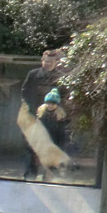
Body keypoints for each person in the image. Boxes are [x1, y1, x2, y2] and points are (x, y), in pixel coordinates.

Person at [20, 49, 65, 178]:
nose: (48, 64)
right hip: (34, 115)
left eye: (51, 62)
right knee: (30, 146)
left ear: (56, 62)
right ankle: (30, 172)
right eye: (46, 61)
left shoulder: (60, 76)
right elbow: (25, 92)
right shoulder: (33, 74)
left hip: (52, 117)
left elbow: (64, 95)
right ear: (42, 61)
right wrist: (29, 108)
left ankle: (49, 174)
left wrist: (58, 109)